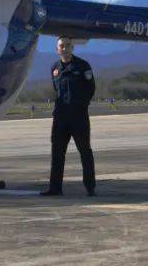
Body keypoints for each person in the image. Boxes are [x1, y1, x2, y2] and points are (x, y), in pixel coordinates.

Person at [41, 35, 96, 197]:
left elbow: (90, 88)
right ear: (57, 49)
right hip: (60, 117)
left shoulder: (82, 66)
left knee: (85, 151)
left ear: (73, 48)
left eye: (67, 45)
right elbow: (56, 90)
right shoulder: (54, 68)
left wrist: (80, 106)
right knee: (57, 153)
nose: (64, 48)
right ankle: (55, 188)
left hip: (78, 117)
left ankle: (90, 187)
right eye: (61, 46)